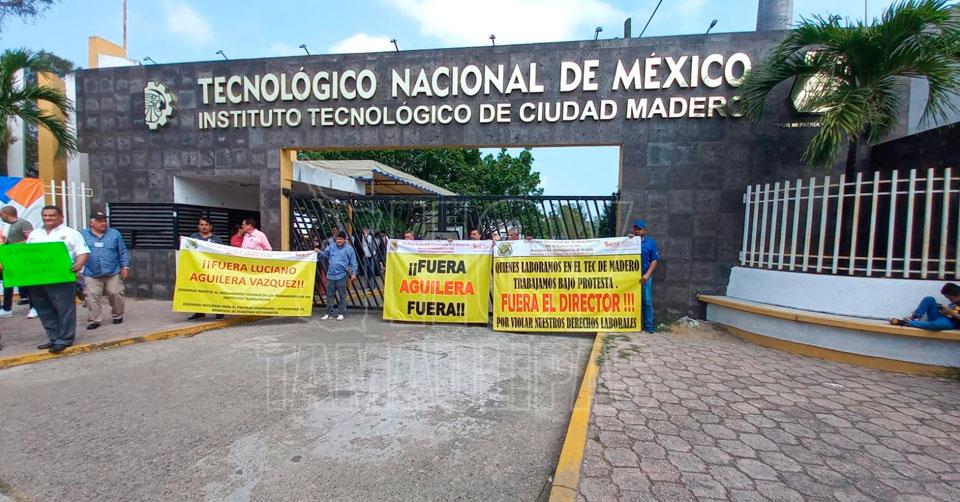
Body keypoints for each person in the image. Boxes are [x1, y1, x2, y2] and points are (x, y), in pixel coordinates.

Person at [27, 205, 90, 353]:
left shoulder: (71, 233)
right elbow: (26, 254)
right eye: (45, 215)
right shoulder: (35, 234)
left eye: (51, 215)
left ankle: (65, 339)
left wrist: (79, 264)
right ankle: (53, 337)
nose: (47, 218)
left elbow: (83, 252)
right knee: (44, 309)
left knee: (64, 309)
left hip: (62, 278)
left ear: (61, 217)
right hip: (37, 279)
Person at [81, 212, 130, 329]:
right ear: (91, 222)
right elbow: (77, 251)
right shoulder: (82, 235)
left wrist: (125, 266)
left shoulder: (114, 234)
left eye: (105, 220)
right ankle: (94, 320)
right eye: (100, 221)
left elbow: (122, 251)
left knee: (115, 293)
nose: (103, 223)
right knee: (92, 295)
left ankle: (118, 315)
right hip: (91, 271)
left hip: (113, 271)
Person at [187, 217, 225, 321]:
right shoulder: (193, 237)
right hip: (197, 269)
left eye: (206, 225)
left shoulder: (216, 239)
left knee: (215, 290)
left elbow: (221, 254)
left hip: (212, 269)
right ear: (198, 226)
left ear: (210, 227)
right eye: (202, 225)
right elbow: (188, 250)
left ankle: (219, 311)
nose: (204, 227)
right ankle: (199, 312)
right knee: (198, 290)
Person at [0, 205, 34, 319]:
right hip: (12, 260)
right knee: (8, 283)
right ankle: (6, 308)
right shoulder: (9, 226)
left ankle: (34, 307)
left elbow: (31, 239)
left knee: (28, 283)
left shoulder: (23, 223)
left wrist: (14, 246)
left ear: (6, 213)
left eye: (1, 215)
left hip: (24, 259)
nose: (1, 217)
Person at [318, 231, 357, 321]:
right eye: (337, 239)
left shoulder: (349, 249)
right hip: (330, 275)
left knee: (342, 295)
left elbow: (353, 262)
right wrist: (319, 251)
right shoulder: (331, 247)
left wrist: (354, 273)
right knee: (329, 295)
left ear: (344, 239)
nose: (338, 241)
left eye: (340, 239)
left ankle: (341, 313)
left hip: (342, 275)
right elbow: (325, 254)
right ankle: (329, 313)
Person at [890, 283, 960, 330]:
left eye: (950, 298)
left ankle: (907, 323)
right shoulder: (954, 304)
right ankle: (916, 317)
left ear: (958, 295)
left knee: (936, 325)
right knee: (929, 299)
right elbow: (949, 313)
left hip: (953, 323)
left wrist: (951, 312)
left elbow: (953, 314)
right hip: (944, 318)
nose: (949, 300)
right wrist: (943, 310)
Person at [632, 219, 660, 334]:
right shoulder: (630, 241)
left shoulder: (650, 243)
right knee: (630, 300)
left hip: (644, 277)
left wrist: (647, 274)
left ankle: (649, 325)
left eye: (639, 229)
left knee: (647, 301)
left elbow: (654, 260)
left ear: (644, 230)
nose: (637, 231)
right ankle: (632, 324)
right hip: (630, 277)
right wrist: (627, 240)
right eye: (635, 229)